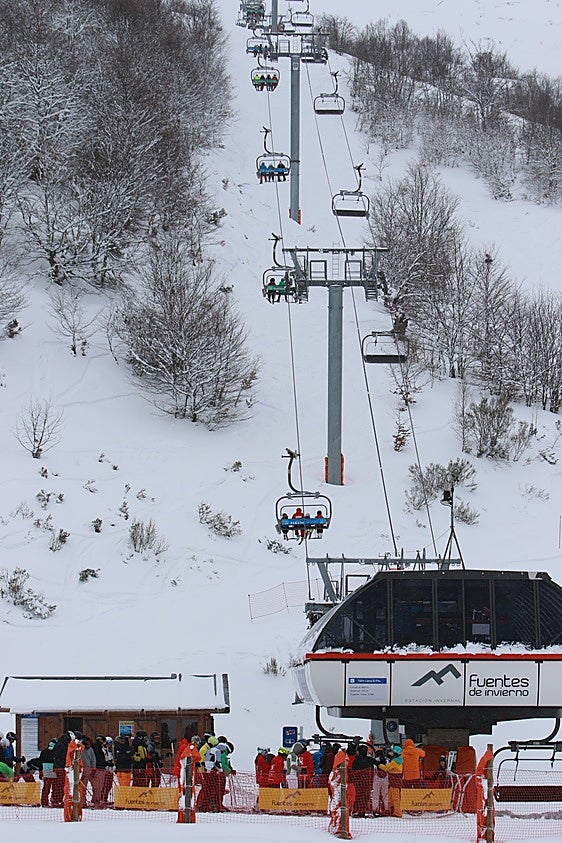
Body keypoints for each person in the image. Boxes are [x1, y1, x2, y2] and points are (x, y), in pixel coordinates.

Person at [378, 745, 403, 818]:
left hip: (395, 781)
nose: (390, 753)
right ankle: (390, 810)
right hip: (393, 781)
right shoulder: (398, 760)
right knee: (390, 797)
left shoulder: (395, 762)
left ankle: (398, 813)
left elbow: (387, 768)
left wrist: (379, 765)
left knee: (395, 797)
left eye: (392, 752)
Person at [350, 745, 375, 817]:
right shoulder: (370, 760)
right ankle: (363, 811)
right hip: (367, 781)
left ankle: (356, 810)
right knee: (365, 797)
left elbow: (353, 770)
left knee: (358, 796)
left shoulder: (356, 760)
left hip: (358, 781)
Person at [39, 738, 57, 807]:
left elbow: (40, 762)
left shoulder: (44, 751)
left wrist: (40, 771)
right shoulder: (56, 752)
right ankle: (54, 801)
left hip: (46, 771)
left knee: (46, 788)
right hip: (54, 770)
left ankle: (44, 802)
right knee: (55, 788)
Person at [371, 748, 389, 816]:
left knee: (375, 795)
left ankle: (375, 809)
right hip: (385, 779)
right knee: (385, 795)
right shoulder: (387, 760)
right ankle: (386, 809)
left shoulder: (374, 761)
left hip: (376, 778)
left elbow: (373, 770)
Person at [80, 737, 96, 807]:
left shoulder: (90, 749)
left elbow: (93, 759)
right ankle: (82, 802)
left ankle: (95, 800)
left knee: (95, 786)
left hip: (89, 768)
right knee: (83, 787)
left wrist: (93, 768)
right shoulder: (80, 749)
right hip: (82, 769)